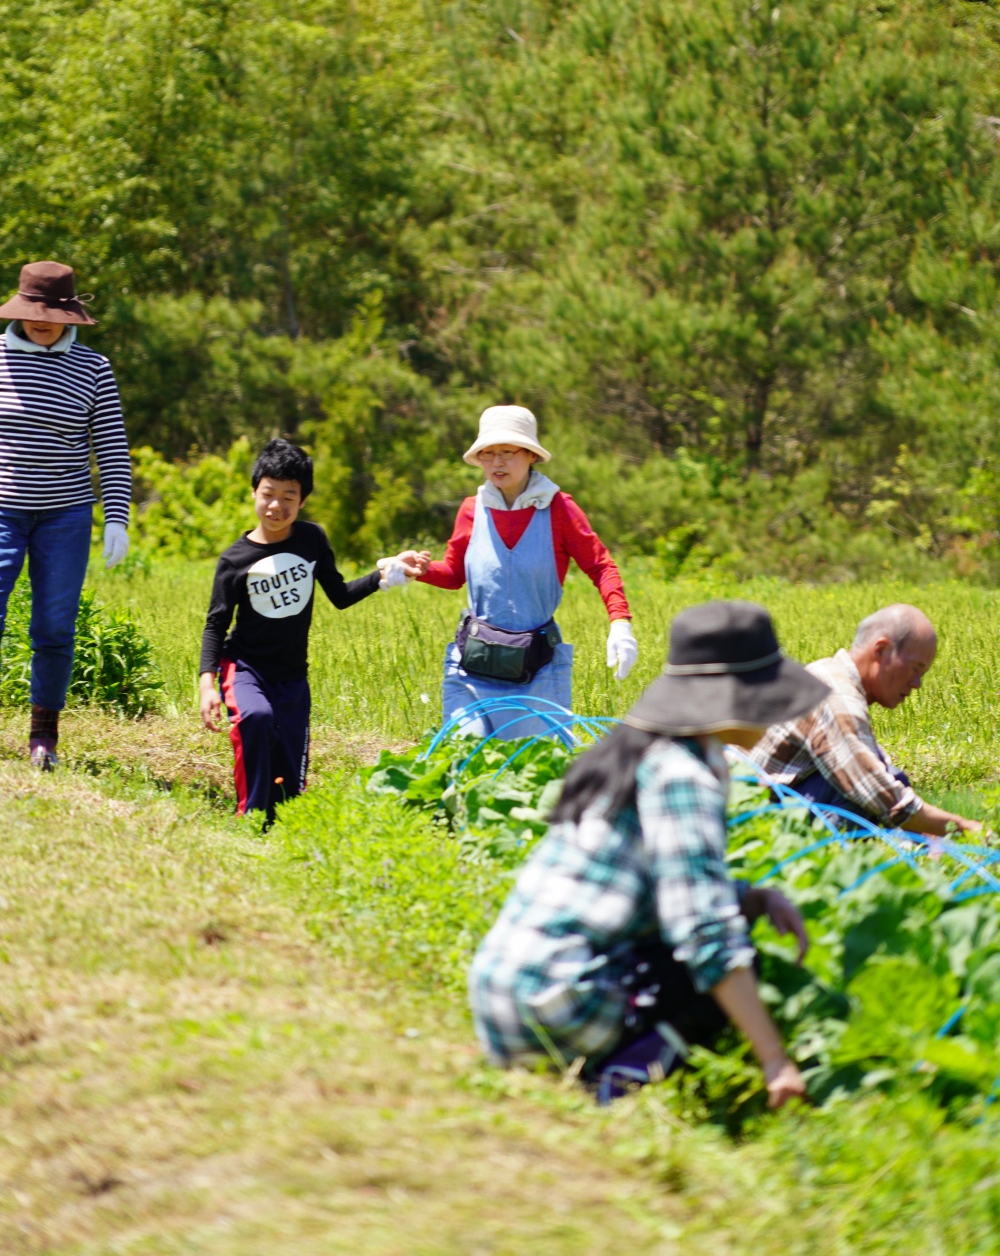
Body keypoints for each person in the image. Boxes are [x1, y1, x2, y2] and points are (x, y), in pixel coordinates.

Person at [469, 600, 829, 1107]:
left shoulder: (639, 750)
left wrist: (754, 896)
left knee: (723, 928)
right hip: (554, 1013)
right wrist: (775, 1060)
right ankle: (615, 1084)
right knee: (722, 972)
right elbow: (703, 928)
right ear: (729, 698)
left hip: (505, 993)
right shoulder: (684, 775)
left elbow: (661, 883)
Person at [199, 438, 423, 817]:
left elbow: (340, 594)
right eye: (269, 493)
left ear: (302, 501)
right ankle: (250, 817)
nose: (277, 505)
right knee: (256, 718)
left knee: (289, 788)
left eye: (289, 496)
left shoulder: (311, 540)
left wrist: (387, 575)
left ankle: (278, 825)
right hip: (246, 668)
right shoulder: (235, 560)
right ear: (254, 491)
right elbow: (215, 623)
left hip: (292, 676)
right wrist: (207, 682)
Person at [415, 405, 638, 740]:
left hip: (538, 667)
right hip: (473, 665)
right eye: (487, 454)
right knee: (463, 761)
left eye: (507, 452)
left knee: (533, 771)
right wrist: (417, 570)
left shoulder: (559, 508)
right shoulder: (472, 509)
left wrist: (620, 624)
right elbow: (452, 573)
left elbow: (599, 565)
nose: (497, 462)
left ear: (531, 455)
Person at [0, 261, 131, 769]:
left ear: (71, 315)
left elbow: (112, 449)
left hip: (66, 516)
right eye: (35, 310)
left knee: (54, 627)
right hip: (3, 511)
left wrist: (116, 517)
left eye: (53, 312)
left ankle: (43, 736)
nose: (43, 321)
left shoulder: (93, 368)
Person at [750, 603, 980, 836]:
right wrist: (967, 829)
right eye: (915, 669)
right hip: (763, 826)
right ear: (881, 650)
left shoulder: (827, 674)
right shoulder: (837, 698)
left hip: (767, 810)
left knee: (885, 770)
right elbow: (883, 798)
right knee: (863, 791)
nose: (917, 684)